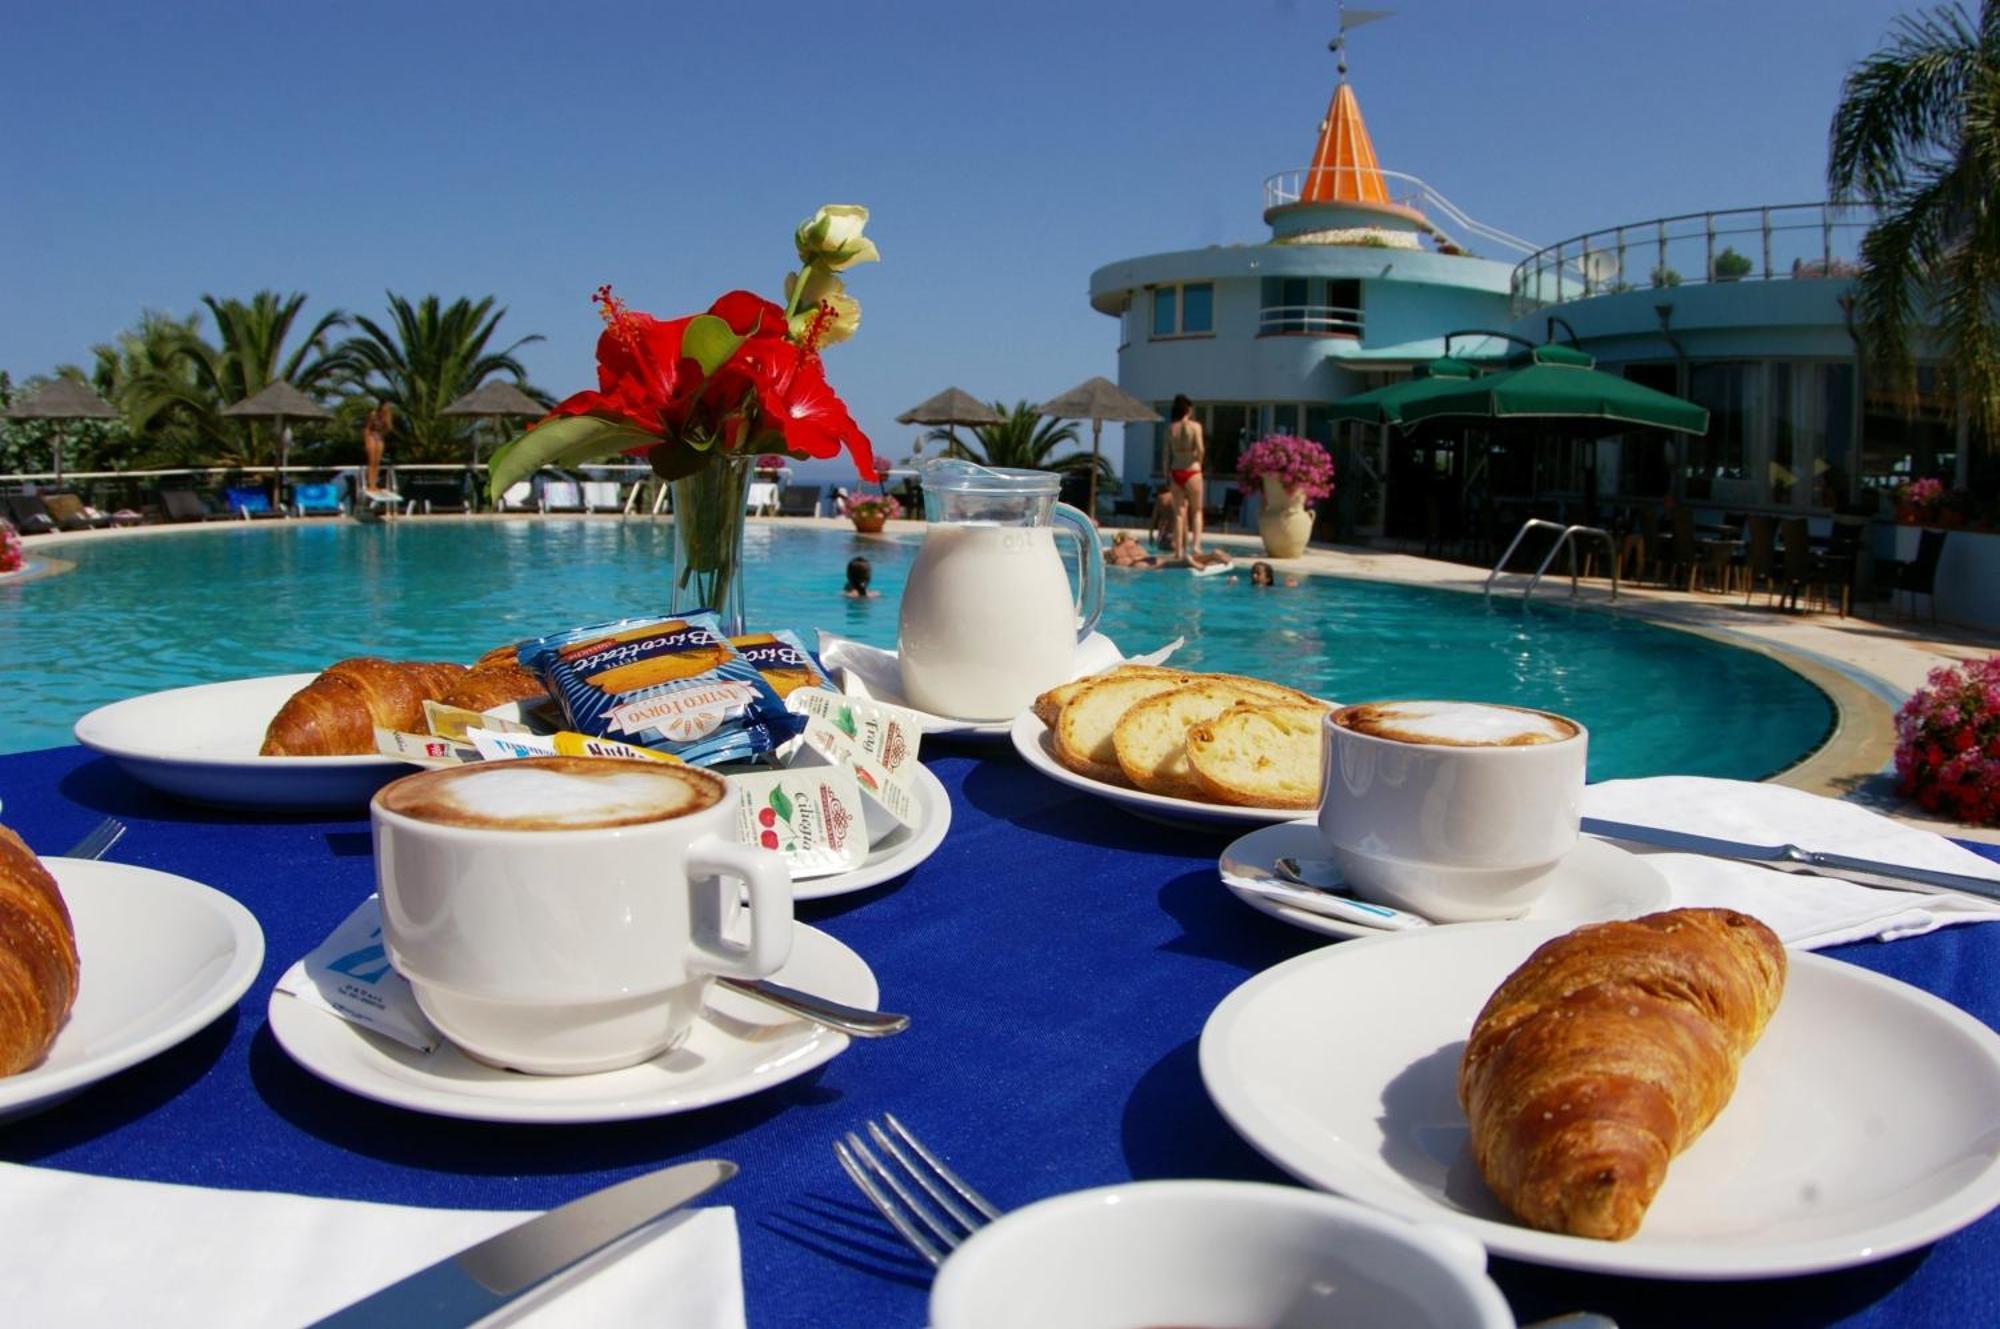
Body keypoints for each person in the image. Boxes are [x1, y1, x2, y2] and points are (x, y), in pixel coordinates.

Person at [1163, 394, 1206, 561]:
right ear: (1188, 409)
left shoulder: (1171, 428)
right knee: (1197, 510)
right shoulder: (1195, 427)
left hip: (1176, 471)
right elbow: (1201, 449)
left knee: (1179, 514)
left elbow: (1166, 454)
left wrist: (1166, 473)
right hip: (1192, 470)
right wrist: (1199, 463)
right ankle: (1196, 546)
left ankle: (1179, 551)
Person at [362, 402, 395, 499]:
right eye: (386, 406)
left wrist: (388, 417)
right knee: (372, 461)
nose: (388, 408)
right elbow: (367, 428)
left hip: (379, 437)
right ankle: (371, 484)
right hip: (371, 436)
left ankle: (374, 484)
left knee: (377, 461)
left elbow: (389, 428)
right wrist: (366, 440)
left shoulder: (387, 416)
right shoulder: (374, 414)